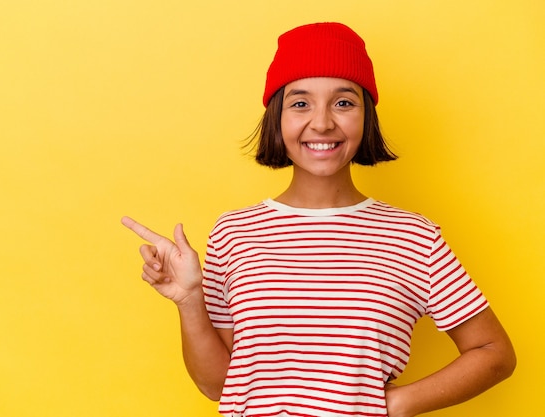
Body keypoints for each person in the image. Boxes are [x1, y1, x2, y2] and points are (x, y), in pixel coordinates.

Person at [122, 22, 516, 417]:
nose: (323, 122)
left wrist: (394, 404)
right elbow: (218, 386)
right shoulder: (234, 233)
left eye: (344, 103)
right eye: (300, 103)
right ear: (277, 117)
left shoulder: (413, 238)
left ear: (367, 117)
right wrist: (190, 300)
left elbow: (494, 353)